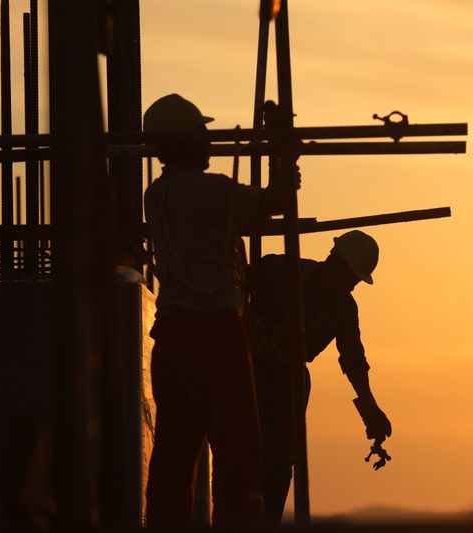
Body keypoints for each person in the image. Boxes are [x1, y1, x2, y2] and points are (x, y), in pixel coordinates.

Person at [142, 93, 291, 526]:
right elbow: (274, 203)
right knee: (239, 446)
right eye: (201, 134)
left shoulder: (158, 193)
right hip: (214, 331)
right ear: (185, 142)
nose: (210, 141)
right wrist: (282, 150)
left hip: (171, 333)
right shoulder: (207, 190)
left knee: (174, 450)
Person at [248, 230, 393, 523]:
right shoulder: (281, 270)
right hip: (249, 367)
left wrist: (370, 408)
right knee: (241, 452)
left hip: (288, 380)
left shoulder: (343, 308)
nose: (352, 286)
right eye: (351, 277)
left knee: (279, 463)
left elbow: (353, 359)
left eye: (356, 281)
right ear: (333, 261)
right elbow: (245, 278)